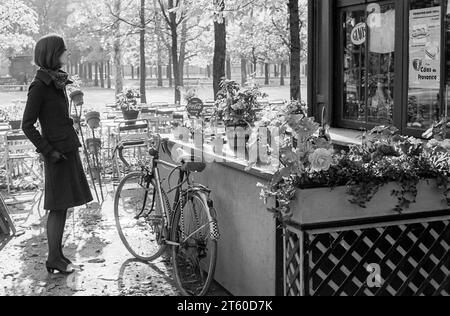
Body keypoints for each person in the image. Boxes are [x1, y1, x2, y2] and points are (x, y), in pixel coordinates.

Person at [22, 34, 93, 275]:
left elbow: (53, 116)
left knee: (62, 206)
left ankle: (58, 255)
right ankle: (53, 258)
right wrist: (48, 151)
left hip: (66, 149)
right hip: (57, 154)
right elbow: (27, 125)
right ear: (53, 53)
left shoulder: (55, 81)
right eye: (64, 50)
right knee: (57, 206)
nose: (67, 53)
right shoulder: (40, 86)